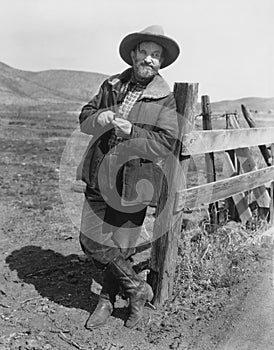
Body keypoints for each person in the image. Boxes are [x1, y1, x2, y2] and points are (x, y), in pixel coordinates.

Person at [77, 25, 180, 329]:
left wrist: (132, 131)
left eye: (156, 55)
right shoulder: (110, 85)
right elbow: (85, 118)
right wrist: (100, 118)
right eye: (145, 52)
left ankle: (107, 301)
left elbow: (165, 143)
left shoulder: (165, 99)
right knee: (91, 240)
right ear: (134, 54)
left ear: (161, 62)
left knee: (121, 246)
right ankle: (137, 289)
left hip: (135, 180)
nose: (149, 59)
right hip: (100, 174)